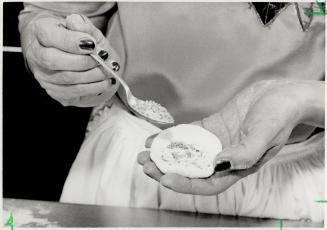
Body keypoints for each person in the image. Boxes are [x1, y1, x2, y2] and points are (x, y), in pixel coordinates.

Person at [19, 2, 325, 221]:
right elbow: (55, 14)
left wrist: (307, 99)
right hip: (129, 170)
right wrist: (55, 50)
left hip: (292, 185)